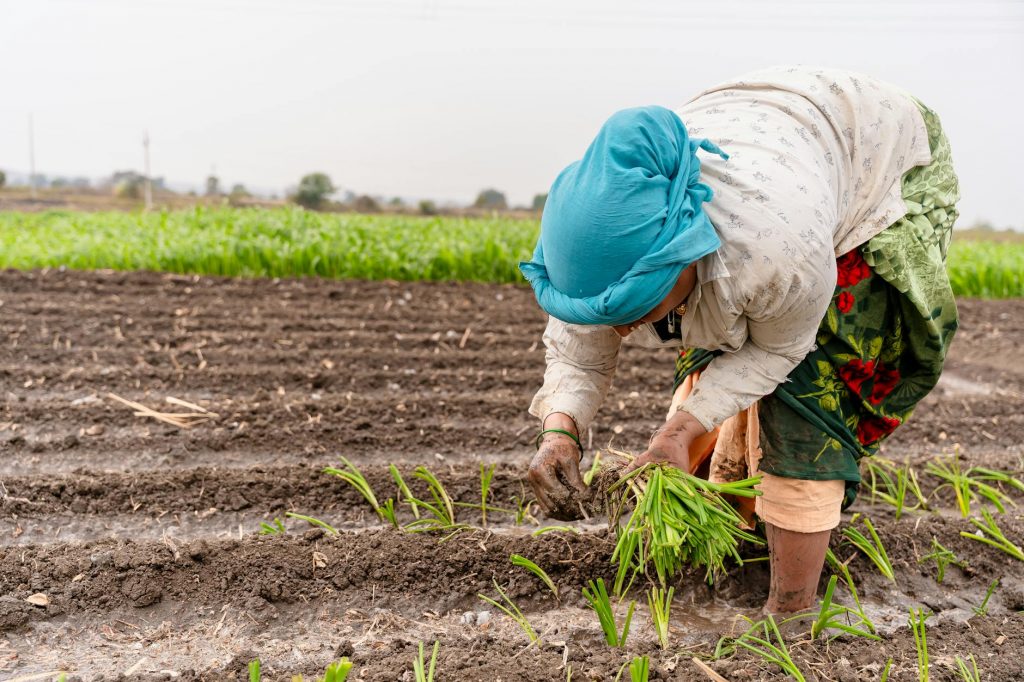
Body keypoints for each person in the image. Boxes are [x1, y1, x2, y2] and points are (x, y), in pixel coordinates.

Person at [521, 66, 959, 614]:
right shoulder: (589, 236)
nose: (625, 331)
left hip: (878, 157)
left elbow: (778, 348)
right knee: (710, 365)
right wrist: (561, 431)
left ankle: (791, 611)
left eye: (639, 310)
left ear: (687, 251)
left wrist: (679, 431)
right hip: (775, 136)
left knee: (805, 396)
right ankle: (737, 549)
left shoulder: (774, 251)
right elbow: (579, 343)